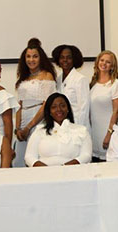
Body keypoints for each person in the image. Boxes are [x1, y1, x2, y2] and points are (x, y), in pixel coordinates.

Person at [13, 38, 56, 167]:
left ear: (40, 58)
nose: (31, 60)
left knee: (36, 158)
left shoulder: (47, 76)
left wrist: (29, 127)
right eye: (28, 57)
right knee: (19, 160)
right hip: (23, 123)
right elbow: (20, 105)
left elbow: (46, 104)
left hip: (38, 122)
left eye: (35, 56)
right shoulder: (23, 78)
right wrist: (18, 129)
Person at [25, 93, 92, 167]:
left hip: (72, 172)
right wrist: (47, 170)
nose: (59, 109)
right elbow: (29, 156)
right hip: (43, 174)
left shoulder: (81, 130)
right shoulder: (39, 131)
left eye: (63, 106)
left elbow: (86, 155)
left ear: (68, 109)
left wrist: (64, 168)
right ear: (49, 111)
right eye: (54, 107)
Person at [90, 50, 118, 162]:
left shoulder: (116, 84)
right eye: (102, 60)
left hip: (107, 133)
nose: (104, 63)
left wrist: (109, 134)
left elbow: (116, 111)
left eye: (108, 62)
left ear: (112, 66)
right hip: (93, 134)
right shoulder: (93, 83)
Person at [52, 44, 90, 128]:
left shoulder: (80, 79)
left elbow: (84, 109)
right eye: (62, 57)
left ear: (74, 60)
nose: (65, 60)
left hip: (77, 125)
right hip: (61, 126)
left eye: (69, 57)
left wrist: (77, 128)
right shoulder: (58, 80)